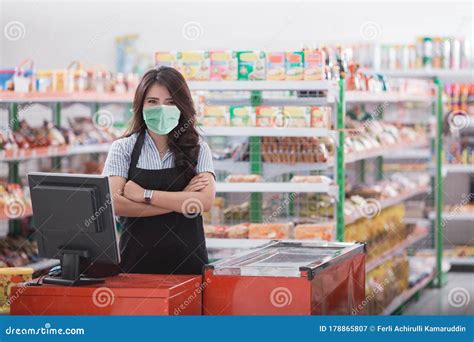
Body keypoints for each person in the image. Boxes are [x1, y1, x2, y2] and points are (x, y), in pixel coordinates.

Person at [102, 66, 215, 275]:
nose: (161, 109)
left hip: (188, 266)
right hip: (135, 266)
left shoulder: (198, 148)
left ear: (182, 106)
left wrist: (145, 195)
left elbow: (205, 202)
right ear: (140, 105)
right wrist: (183, 200)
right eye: (152, 102)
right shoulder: (123, 148)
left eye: (170, 102)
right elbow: (114, 203)